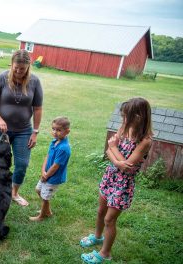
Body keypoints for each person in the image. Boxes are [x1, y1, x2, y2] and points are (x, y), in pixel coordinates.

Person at [80, 97, 153, 264]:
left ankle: (105, 253)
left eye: (126, 116)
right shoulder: (123, 128)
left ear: (138, 117)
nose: (123, 119)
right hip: (110, 176)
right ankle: (98, 237)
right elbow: (109, 153)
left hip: (123, 184)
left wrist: (114, 150)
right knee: (100, 211)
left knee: (109, 219)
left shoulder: (145, 141)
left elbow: (127, 166)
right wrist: (119, 161)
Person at [0, 49, 43, 207]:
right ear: (12, 65)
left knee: (22, 164)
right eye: (15, 68)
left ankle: (14, 192)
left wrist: (35, 132)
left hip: (24, 131)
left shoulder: (35, 82)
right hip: (0, 129)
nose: (18, 71)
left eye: (22, 69)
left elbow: (37, 108)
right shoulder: (3, 77)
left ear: (28, 67)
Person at [29, 117, 71, 222]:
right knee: (38, 190)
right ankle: (47, 211)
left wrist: (46, 176)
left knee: (45, 197)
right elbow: (47, 156)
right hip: (46, 174)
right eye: (53, 129)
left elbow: (56, 166)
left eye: (59, 130)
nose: (55, 132)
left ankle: (42, 216)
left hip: (53, 177)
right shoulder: (54, 142)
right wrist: (43, 170)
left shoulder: (64, 148)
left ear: (67, 132)